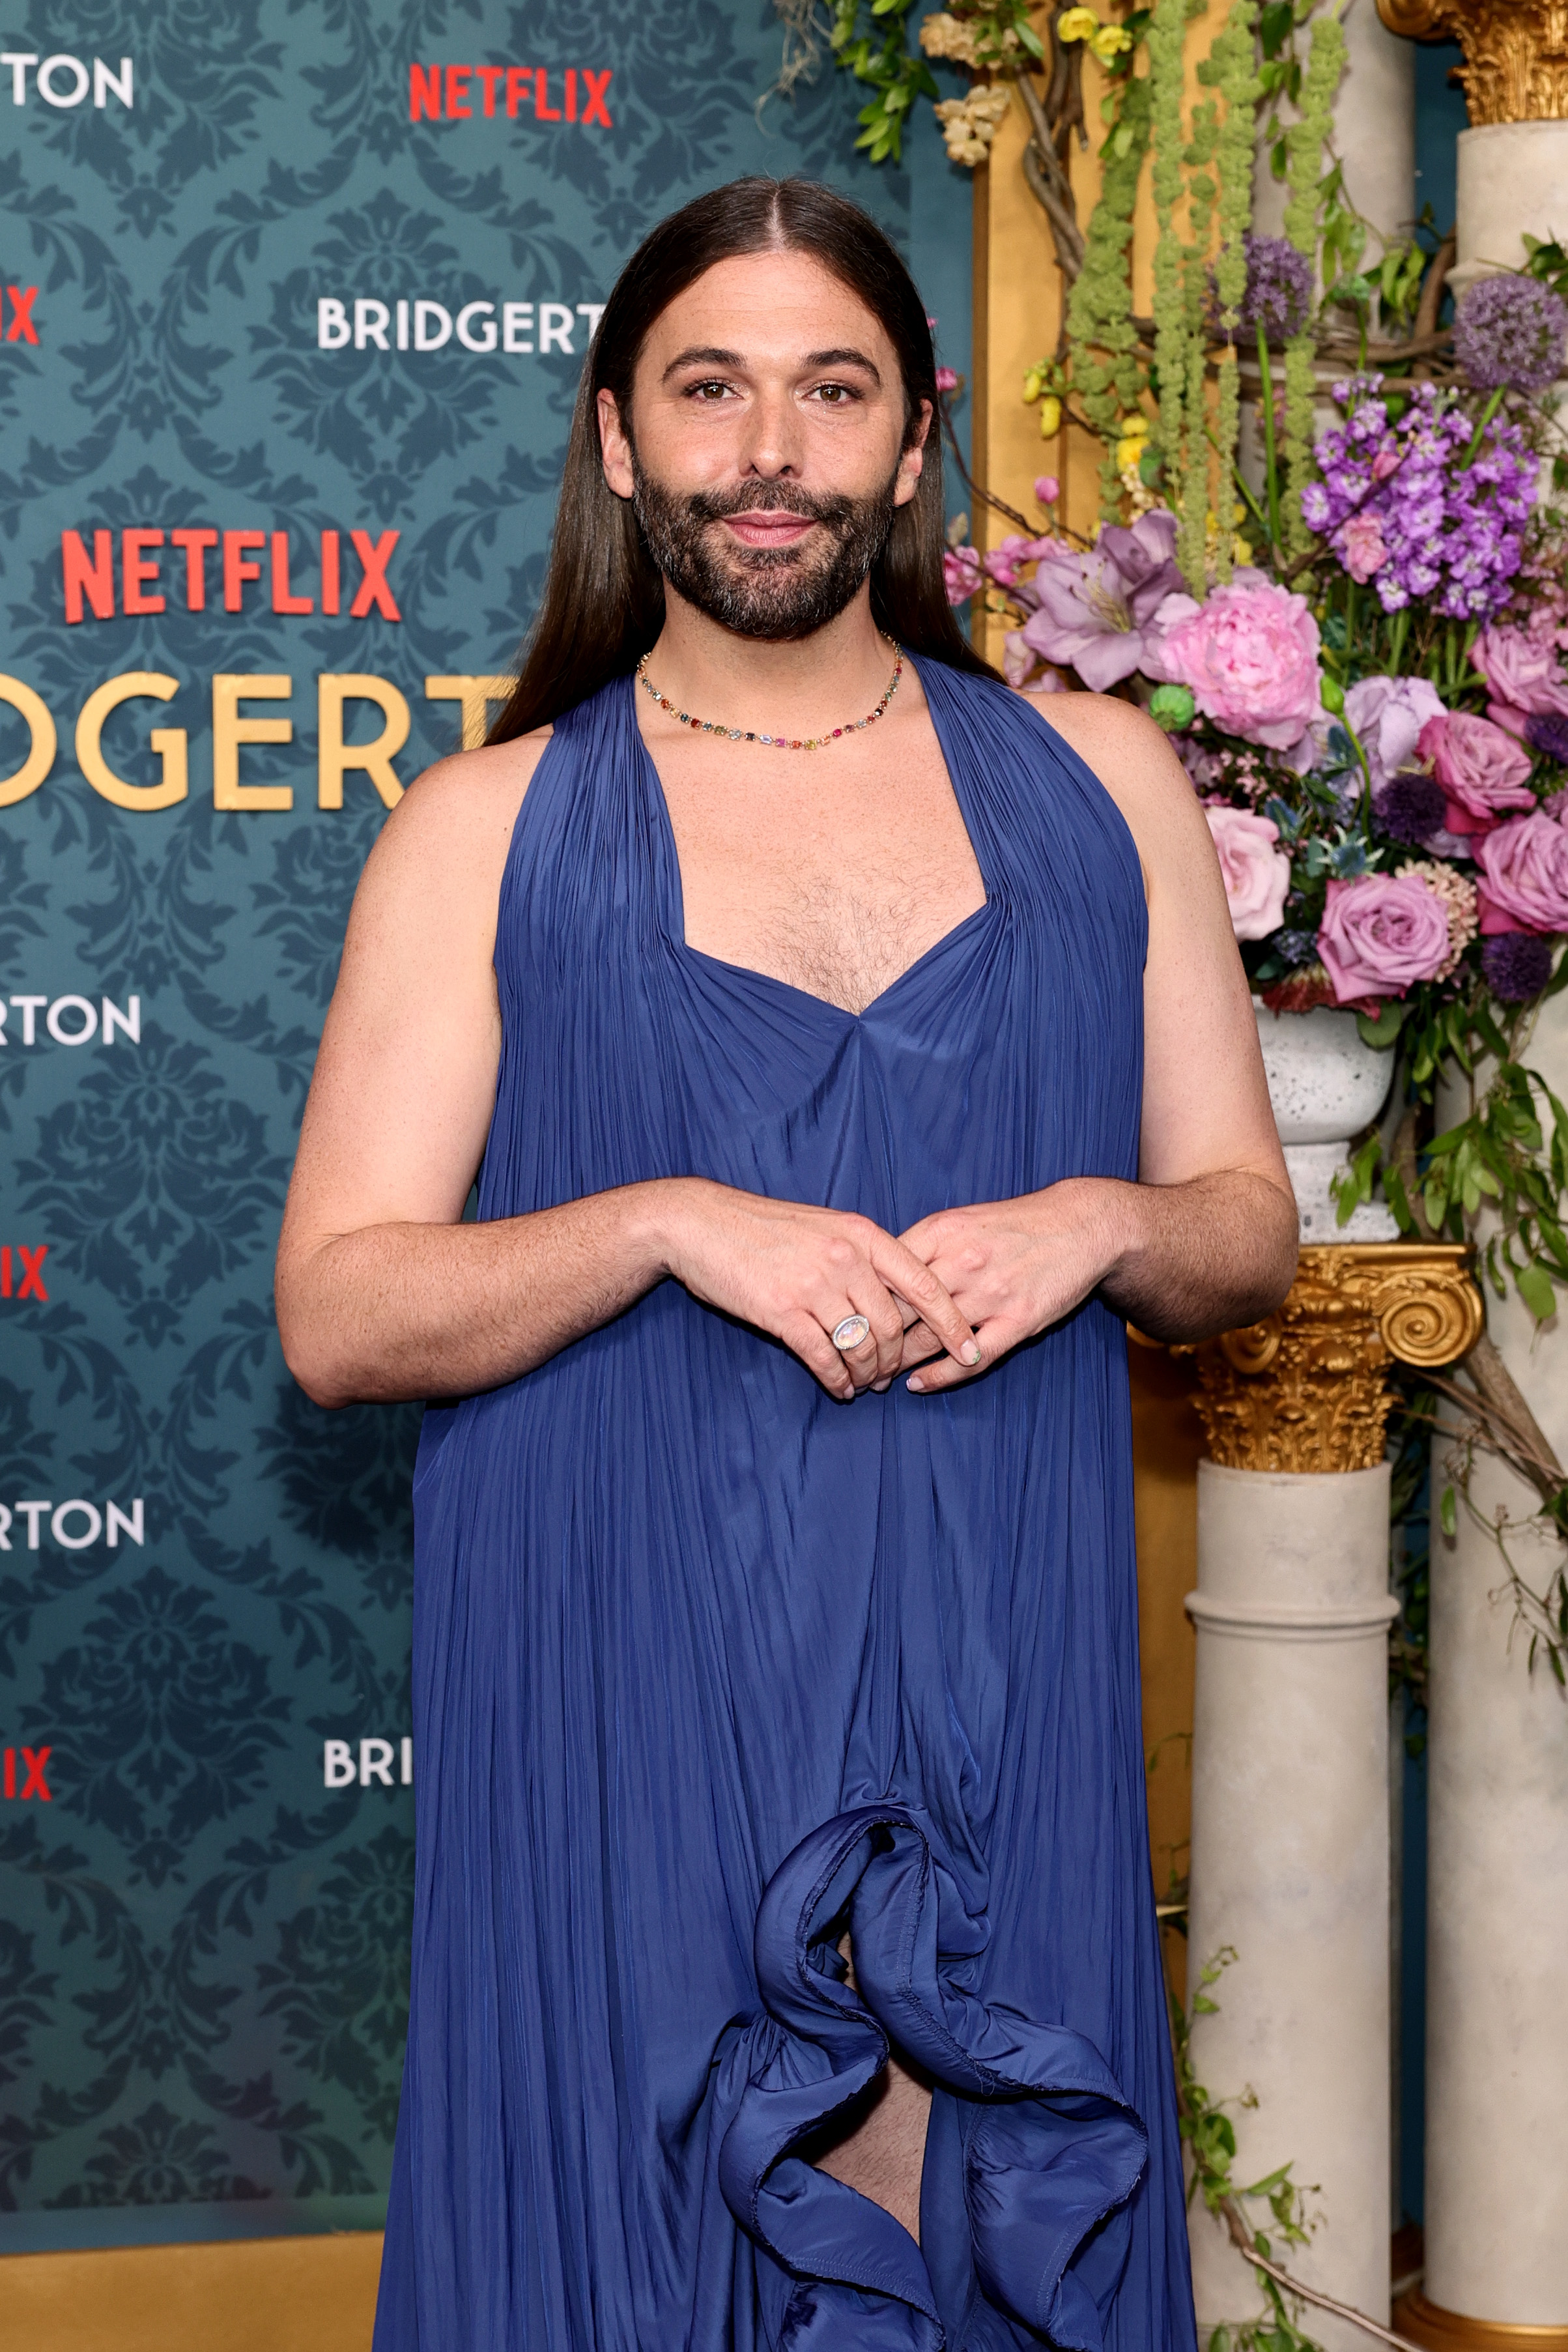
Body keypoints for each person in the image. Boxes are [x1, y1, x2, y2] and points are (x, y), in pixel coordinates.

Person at [275, 175, 1297, 2352]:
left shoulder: (1102, 785)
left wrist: (1108, 1219)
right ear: (620, 438)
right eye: (709, 390)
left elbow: (1242, 1233)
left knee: (984, 2213)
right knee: (632, 2249)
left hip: (991, 1663)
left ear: (911, 441)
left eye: (829, 391)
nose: (770, 450)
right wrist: (660, 1221)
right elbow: (340, 1309)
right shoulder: (490, 831)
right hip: (624, 1672)